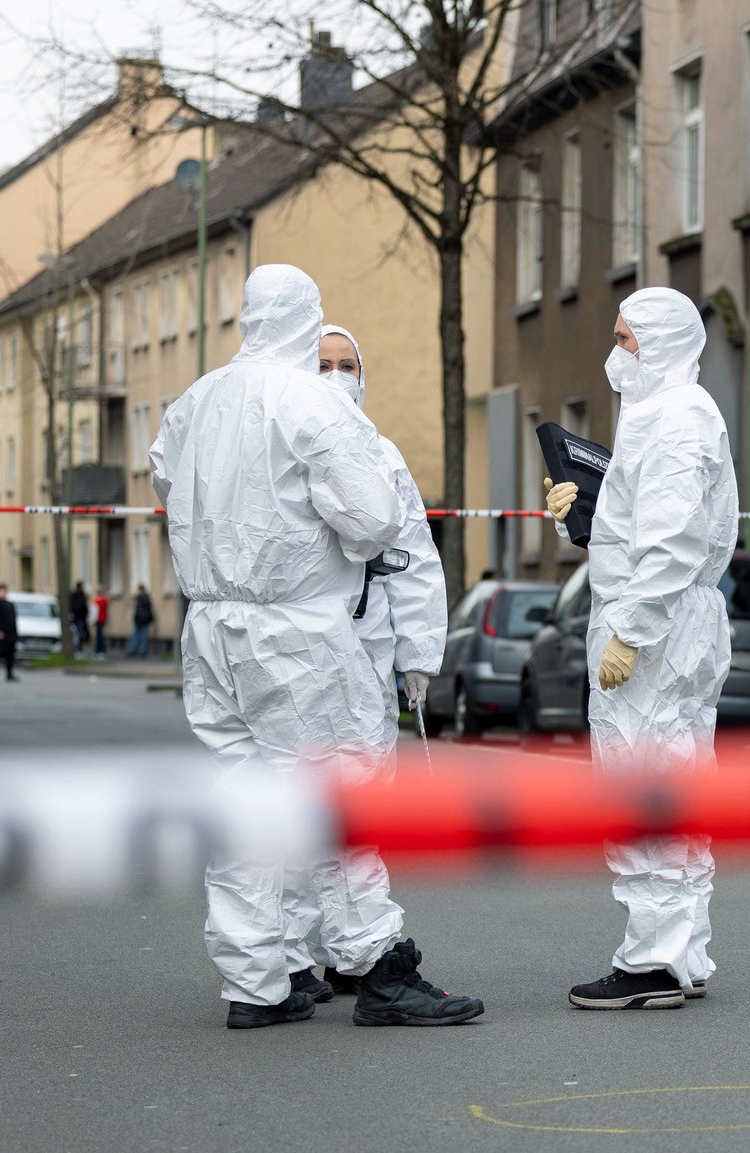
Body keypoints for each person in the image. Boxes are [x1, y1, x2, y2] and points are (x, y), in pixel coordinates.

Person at [150, 264, 481, 1031]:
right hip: (295, 630)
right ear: (309, 318)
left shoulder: (196, 401)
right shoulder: (310, 404)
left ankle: (258, 980)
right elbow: (371, 522)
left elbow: (168, 481)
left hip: (209, 628)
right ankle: (376, 965)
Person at [543, 287, 738, 1011]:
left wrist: (631, 630)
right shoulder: (663, 416)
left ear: (660, 343)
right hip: (668, 621)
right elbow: (641, 530)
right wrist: (585, 517)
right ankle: (682, 952)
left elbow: (674, 538)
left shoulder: (674, 419)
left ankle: (651, 960)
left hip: (653, 628)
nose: (616, 354)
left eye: (626, 340)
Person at [315, 322, 448, 996]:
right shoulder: (288, 443)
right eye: (323, 363)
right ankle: (318, 952)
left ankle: (346, 950)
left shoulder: (381, 453)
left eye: (346, 363)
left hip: (365, 650)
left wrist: (419, 653)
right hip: (303, 650)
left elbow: (414, 560)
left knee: (356, 801)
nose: (337, 375)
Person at [129, 584, 154, 657]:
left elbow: (145, 611)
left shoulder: (144, 599)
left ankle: (142, 651)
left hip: (143, 620)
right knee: (136, 636)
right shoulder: (140, 598)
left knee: (143, 636)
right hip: (138, 621)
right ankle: (134, 650)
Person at [68, 581, 90, 651]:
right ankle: (78, 649)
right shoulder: (80, 595)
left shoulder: (75, 595)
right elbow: (84, 607)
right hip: (79, 617)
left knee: (78, 634)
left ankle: (78, 649)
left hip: (77, 617)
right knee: (79, 634)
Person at [92, 588, 110, 659]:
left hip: (98, 619)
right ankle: (102, 651)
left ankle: (99, 651)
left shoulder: (96, 601)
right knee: (101, 634)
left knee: (99, 636)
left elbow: (94, 612)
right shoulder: (105, 601)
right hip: (103, 619)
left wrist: (92, 620)